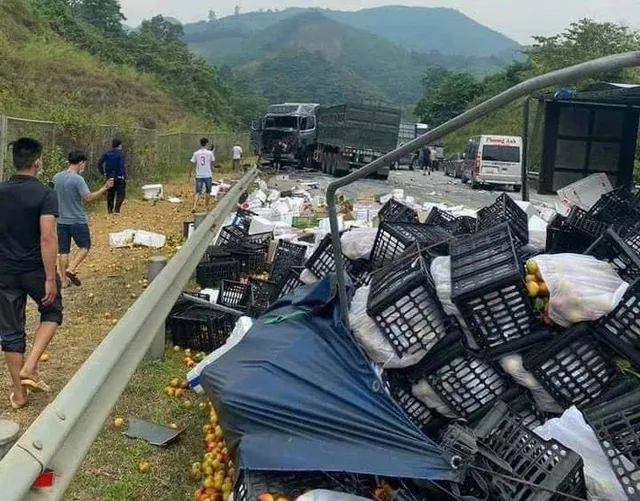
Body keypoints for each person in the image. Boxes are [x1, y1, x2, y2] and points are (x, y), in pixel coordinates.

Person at [0, 138, 63, 409]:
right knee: (52, 311)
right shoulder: (45, 193)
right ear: (37, 162)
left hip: (4, 272)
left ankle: (20, 395)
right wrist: (51, 277)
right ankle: (30, 365)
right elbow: (48, 237)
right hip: (36, 270)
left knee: (11, 331)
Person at [52, 150, 114, 288]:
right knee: (84, 246)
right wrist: (104, 188)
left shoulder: (56, 177)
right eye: (84, 164)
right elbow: (88, 197)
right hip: (77, 220)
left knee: (63, 251)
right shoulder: (77, 179)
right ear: (80, 163)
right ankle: (71, 268)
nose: (84, 167)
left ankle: (63, 281)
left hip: (61, 220)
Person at [98, 138, 126, 214]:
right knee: (121, 193)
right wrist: (124, 175)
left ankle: (110, 210)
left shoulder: (107, 153)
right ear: (119, 145)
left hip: (109, 176)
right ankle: (117, 210)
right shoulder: (121, 154)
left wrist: (102, 172)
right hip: (119, 176)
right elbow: (121, 165)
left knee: (111, 193)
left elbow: (99, 163)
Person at [190, 137, 215, 212]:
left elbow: (192, 163)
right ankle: (206, 206)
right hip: (208, 174)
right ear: (206, 144)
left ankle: (194, 206)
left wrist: (190, 172)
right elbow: (212, 162)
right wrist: (212, 168)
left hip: (199, 175)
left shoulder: (196, 153)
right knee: (208, 191)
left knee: (198, 191)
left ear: (200, 144)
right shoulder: (210, 153)